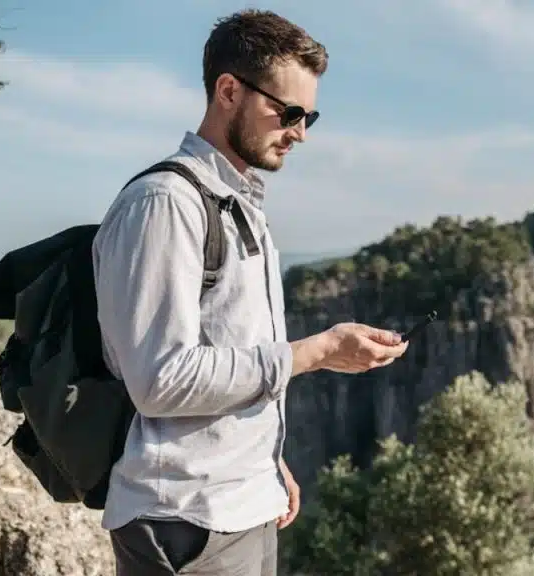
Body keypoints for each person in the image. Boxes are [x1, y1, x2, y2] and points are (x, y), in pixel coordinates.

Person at [91, 9, 409, 575]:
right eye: (287, 112)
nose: (301, 132)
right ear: (229, 90)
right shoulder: (166, 203)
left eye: (310, 115)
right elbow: (161, 380)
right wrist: (316, 353)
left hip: (241, 505)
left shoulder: (240, 205)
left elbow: (229, 350)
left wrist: (265, 460)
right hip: (186, 523)